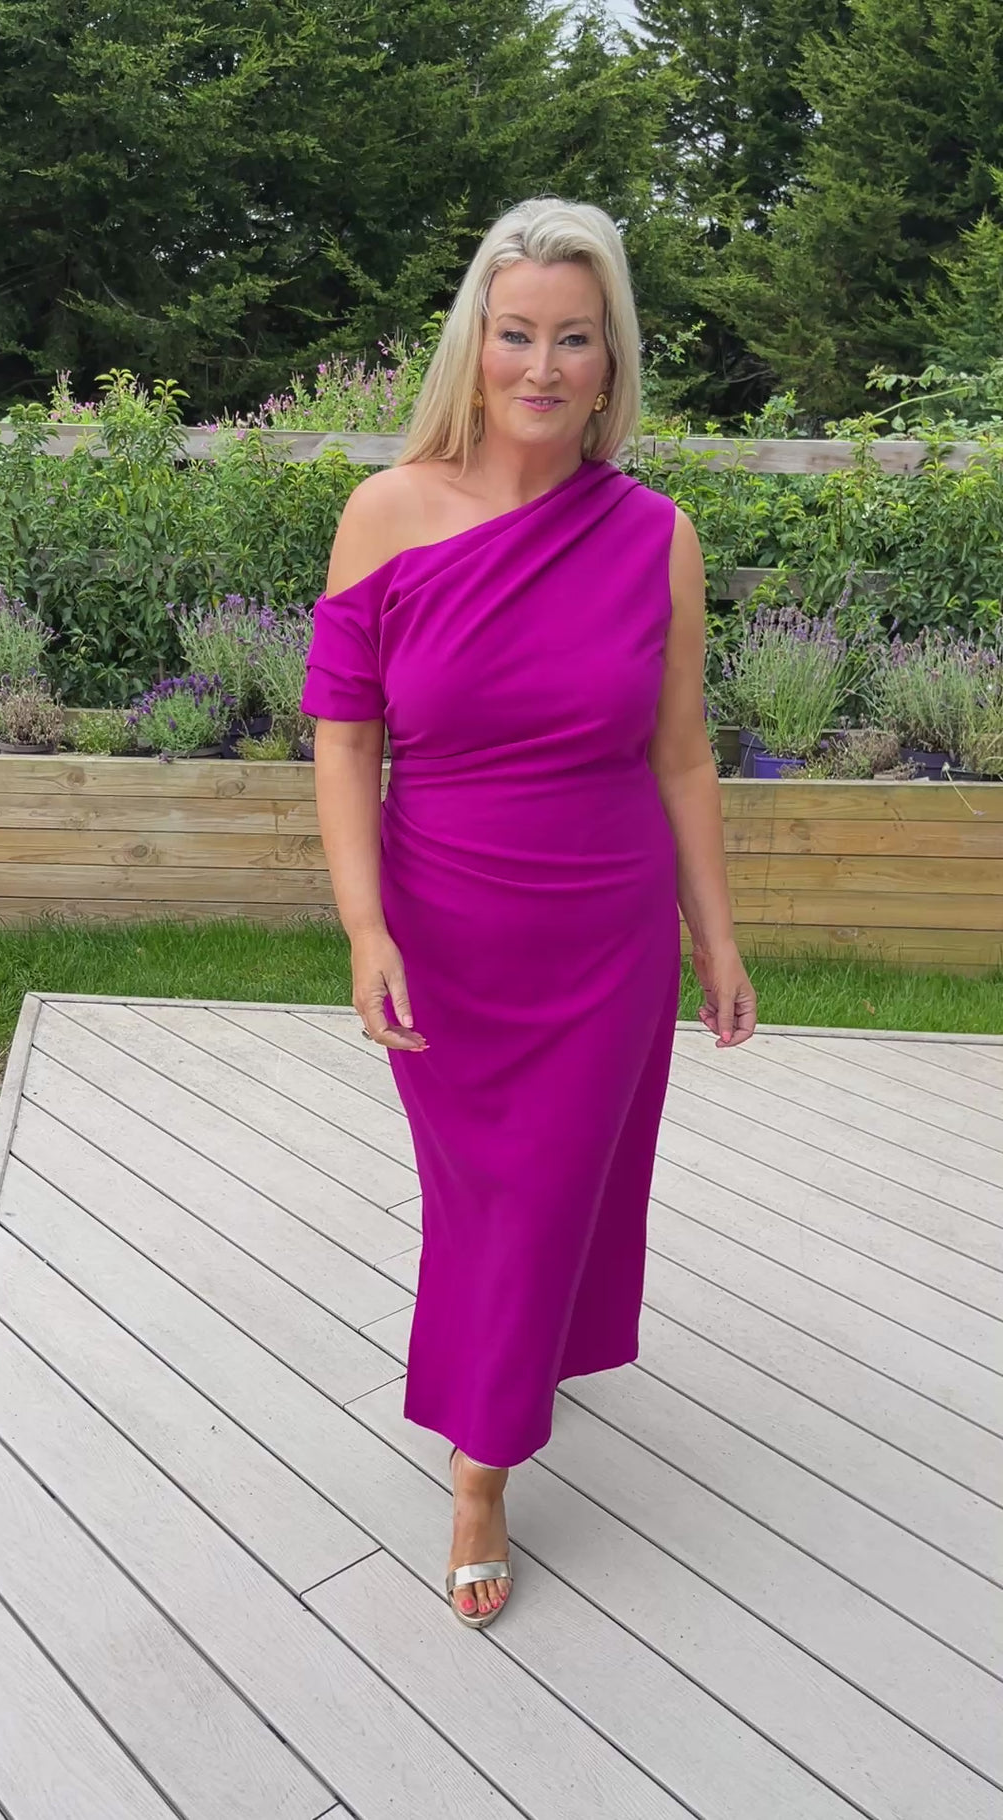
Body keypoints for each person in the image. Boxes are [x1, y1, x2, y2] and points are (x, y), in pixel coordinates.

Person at [300, 196, 756, 1632]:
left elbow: (681, 753)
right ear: (475, 347)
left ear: (612, 361)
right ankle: (508, 1375)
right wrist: (365, 929)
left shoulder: (656, 536)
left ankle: (480, 1471)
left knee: (551, 1187)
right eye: (517, 335)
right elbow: (344, 737)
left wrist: (716, 935)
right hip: (444, 924)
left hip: (603, 932)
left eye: (574, 338)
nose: (543, 367)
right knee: (482, 1196)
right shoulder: (386, 512)